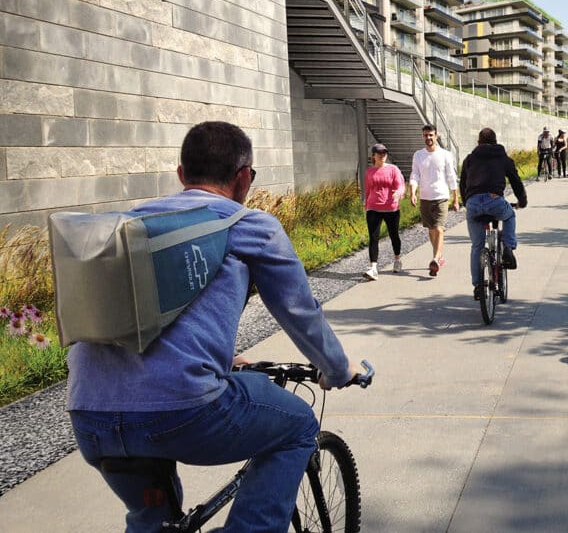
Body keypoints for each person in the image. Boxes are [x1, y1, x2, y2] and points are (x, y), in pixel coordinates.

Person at [66, 121, 361, 532]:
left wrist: (225, 355)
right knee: (297, 425)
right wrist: (338, 369)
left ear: (182, 176)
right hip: (181, 411)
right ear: (244, 178)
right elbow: (299, 310)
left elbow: (148, 312)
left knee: (152, 519)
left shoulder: (130, 224)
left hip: (90, 414)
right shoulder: (249, 225)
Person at [459, 128, 528, 300]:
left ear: (478, 142)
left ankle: (478, 286)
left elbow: (462, 184)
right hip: (494, 200)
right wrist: (522, 201)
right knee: (510, 215)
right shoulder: (503, 158)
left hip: (473, 203)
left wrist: (467, 202)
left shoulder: (469, 159)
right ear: (496, 141)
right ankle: (508, 247)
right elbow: (516, 181)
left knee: (477, 246)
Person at [410, 124, 459, 277]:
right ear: (423, 136)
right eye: (425, 135)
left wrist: (455, 198)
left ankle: (436, 258)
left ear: (436, 136)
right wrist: (412, 192)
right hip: (425, 197)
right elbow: (415, 175)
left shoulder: (445, 154)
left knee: (439, 228)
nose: (428, 138)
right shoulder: (418, 155)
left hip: (441, 197)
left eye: (431, 135)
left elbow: (451, 176)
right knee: (431, 230)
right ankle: (439, 257)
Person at [363, 143, 406, 280]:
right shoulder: (369, 172)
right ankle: (373, 268)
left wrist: (398, 193)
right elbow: (368, 189)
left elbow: (401, 186)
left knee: (394, 235)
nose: (382, 155)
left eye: (384, 153)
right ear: (373, 156)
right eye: (379, 153)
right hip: (373, 208)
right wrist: (366, 202)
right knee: (373, 238)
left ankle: (397, 259)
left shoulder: (393, 169)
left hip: (391, 208)